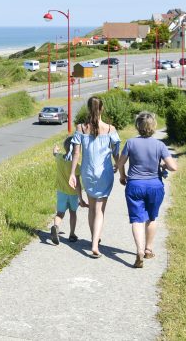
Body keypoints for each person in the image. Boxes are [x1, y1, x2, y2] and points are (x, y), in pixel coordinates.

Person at [118, 111, 178, 268]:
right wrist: (163, 165)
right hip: (154, 186)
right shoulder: (160, 145)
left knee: (137, 220)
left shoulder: (130, 143)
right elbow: (173, 167)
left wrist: (122, 176)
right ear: (154, 126)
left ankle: (138, 251)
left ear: (138, 126)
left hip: (135, 185)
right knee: (151, 218)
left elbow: (120, 162)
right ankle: (148, 249)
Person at [68, 95, 121, 258]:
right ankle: (95, 244)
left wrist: (72, 173)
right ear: (102, 109)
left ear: (88, 108)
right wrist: (118, 166)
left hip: (88, 172)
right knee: (100, 210)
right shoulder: (111, 129)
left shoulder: (80, 129)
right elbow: (116, 152)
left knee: (92, 208)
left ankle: (94, 239)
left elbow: (76, 153)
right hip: (104, 174)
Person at [51, 135, 87, 245]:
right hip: (72, 194)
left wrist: (55, 150)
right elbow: (77, 184)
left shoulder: (60, 158)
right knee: (73, 213)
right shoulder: (76, 165)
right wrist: (81, 198)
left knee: (60, 213)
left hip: (61, 192)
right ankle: (72, 234)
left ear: (65, 148)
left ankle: (55, 227)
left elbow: (55, 154)